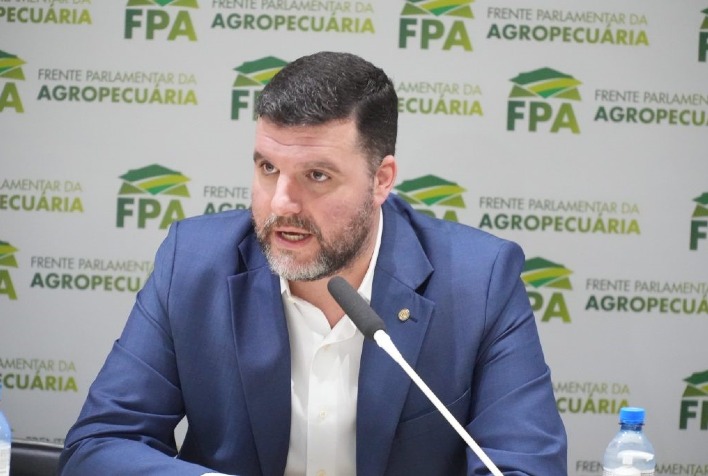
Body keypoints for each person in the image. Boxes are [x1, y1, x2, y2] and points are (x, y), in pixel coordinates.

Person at [59, 51, 567, 475]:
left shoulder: (478, 282)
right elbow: (100, 445)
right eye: (268, 168)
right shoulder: (193, 264)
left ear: (381, 179)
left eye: (317, 176)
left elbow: (524, 466)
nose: (281, 203)